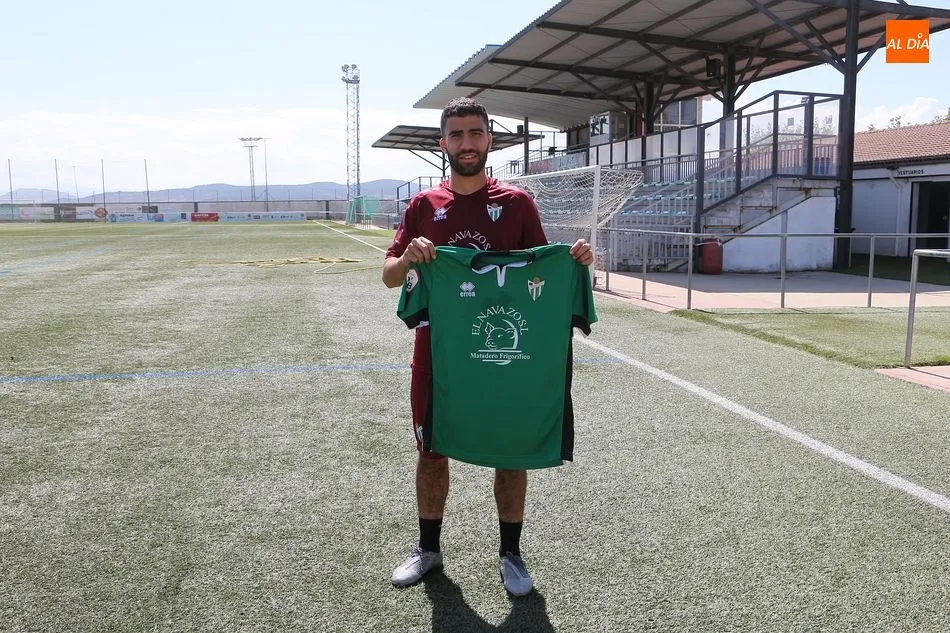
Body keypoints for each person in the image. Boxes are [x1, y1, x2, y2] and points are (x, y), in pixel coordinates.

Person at [382, 97, 594, 596]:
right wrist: (410, 257)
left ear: (489, 141)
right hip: (437, 354)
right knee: (431, 450)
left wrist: (578, 258)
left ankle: (511, 555)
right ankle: (428, 549)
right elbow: (390, 277)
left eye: (474, 134)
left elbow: (543, 266)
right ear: (443, 144)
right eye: (456, 135)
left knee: (511, 450)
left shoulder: (518, 203)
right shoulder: (422, 207)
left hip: (503, 356)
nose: (466, 143)